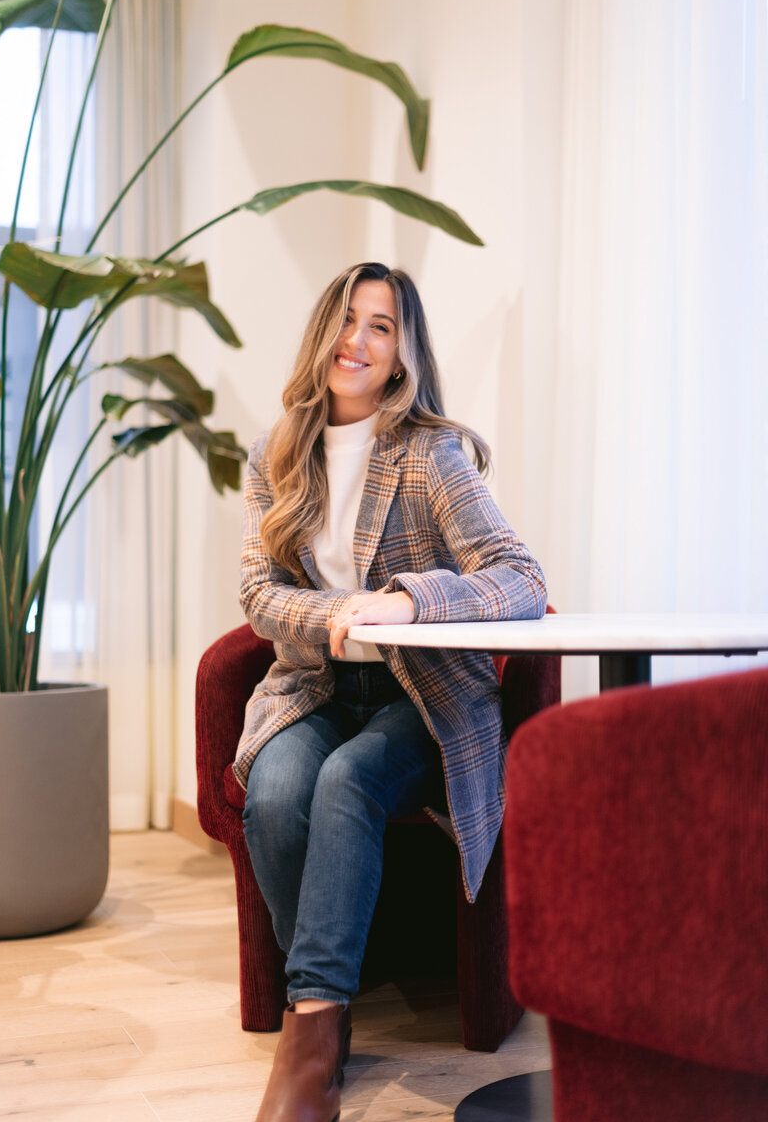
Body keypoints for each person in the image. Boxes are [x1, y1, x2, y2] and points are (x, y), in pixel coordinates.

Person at [235, 261, 547, 1122]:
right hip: (317, 684)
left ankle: (309, 1048)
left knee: (347, 781)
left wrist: (412, 597)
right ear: (323, 332)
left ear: (403, 353)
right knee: (276, 785)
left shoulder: (429, 452)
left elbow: (520, 577)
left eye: (380, 325)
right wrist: (339, 611)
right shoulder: (278, 452)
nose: (358, 339)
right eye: (347, 319)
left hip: (423, 694)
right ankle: (322, 1016)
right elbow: (259, 596)